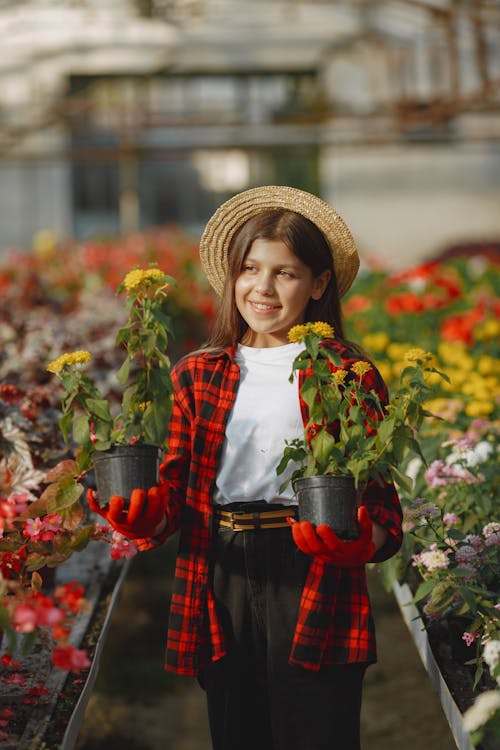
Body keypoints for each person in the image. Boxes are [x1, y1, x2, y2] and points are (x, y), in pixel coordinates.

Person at [88, 185, 403, 750]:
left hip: (312, 561)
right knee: (238, 731)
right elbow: (180, 495)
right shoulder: (198, 373)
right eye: (250, 269)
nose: (263, 287)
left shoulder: (345, 372)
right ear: (230, 277)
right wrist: (145, 520)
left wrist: (361, 542)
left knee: (319, 729)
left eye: (286, 273)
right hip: (222, 564)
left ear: (319, 284)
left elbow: (379, 499)